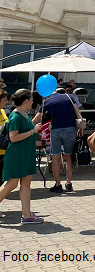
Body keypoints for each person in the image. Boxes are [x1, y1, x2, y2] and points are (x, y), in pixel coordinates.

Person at [0, 89, 43, 223]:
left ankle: (26, 214)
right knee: (12, 184)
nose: (32, 101)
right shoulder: (16, 116)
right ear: (25, 101)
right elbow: (13, 138)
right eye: (31, 99)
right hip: (17, 155)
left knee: (26, 184)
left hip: (26, 154)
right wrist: (32, 131)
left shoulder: (25, 115)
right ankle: (26, 214)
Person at [40, 89, 83, 193]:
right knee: (68, 156)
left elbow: (39, 116)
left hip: (56, 130)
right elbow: (78, 112)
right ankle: (68, 183)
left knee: (55, 157)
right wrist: (81, 127)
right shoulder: (69, 97)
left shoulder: (47, 101)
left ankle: (58, 184)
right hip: (70, 129)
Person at [0, 91, 8, 186]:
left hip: (4, 150)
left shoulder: (2, 111)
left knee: (2, 178)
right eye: (4, 100)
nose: (7, 102)